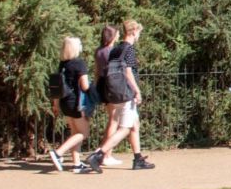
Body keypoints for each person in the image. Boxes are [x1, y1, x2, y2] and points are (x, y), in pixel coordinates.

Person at [85, 20, 155, 172]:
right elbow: (128, 72)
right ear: (134, 31)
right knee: (124, 128)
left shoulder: (116, 49)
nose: (139, 36)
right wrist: (137, 90)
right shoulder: (128, 49)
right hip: (126, 92)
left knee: (134, 124)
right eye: (139, 33)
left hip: (114, 91)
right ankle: (98, 155)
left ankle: (138, 159)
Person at [48, 37, 93, 173]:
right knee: (84, 133)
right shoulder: (79, 64)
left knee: (75, 133)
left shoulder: (63, 64)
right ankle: (58, 153)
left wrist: (55, 104)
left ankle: (76, 164)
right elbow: (85, 86)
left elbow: (59, 85)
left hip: (64, 102)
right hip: (76, 102)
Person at [94, 25, 127, 167]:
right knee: (114, 121)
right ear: (113, 36)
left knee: (112, 120)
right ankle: (106, 154)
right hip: (111, 85)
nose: (118, 36)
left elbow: (97, 71)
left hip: (102, 84)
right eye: (117, 34)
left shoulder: (99, 51)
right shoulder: (111, 51)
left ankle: (102, 151)